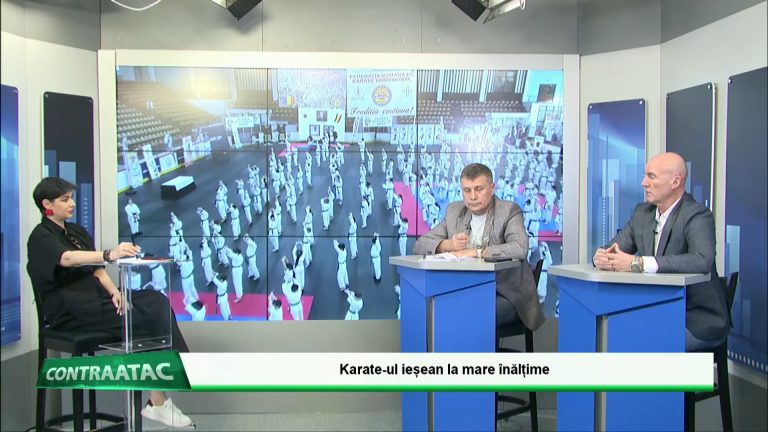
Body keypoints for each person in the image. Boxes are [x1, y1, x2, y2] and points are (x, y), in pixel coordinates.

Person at [26, 177, 193, 428]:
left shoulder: (76, 232)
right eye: (65, 200)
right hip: (71, 310)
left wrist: (116, 292)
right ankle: (160, 397)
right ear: (46, 204)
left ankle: (167, 385)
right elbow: (68, 259)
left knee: (155, 301)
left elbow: (97, 269)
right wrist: (109, 253)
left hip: (97, 301)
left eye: (72, 198)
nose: (72, 204)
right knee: (144, 320)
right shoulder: (40, 237)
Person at [592, 152, 730, 351]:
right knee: (614, 334)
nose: (643, 183)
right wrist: (601, 257)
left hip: (695, 318)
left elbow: (702, 260)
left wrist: (638, 263)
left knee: (641, 343)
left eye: (651, 176)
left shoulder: (697, 215)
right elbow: (614, 248)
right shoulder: (642, 213)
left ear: (675, 182)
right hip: (656, 311)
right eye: (645, 175)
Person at [412, 163, 545, 331]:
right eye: (467, 190)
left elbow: (520, 247)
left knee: (471, 313)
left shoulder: (508, 210)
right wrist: (448, 245)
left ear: (492, 188)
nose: (472, 196)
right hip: (465, 289)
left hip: (506, 294)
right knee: (436, 308)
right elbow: (420, 245)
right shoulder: (454, 211)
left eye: (478, 189)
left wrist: (478, 252)